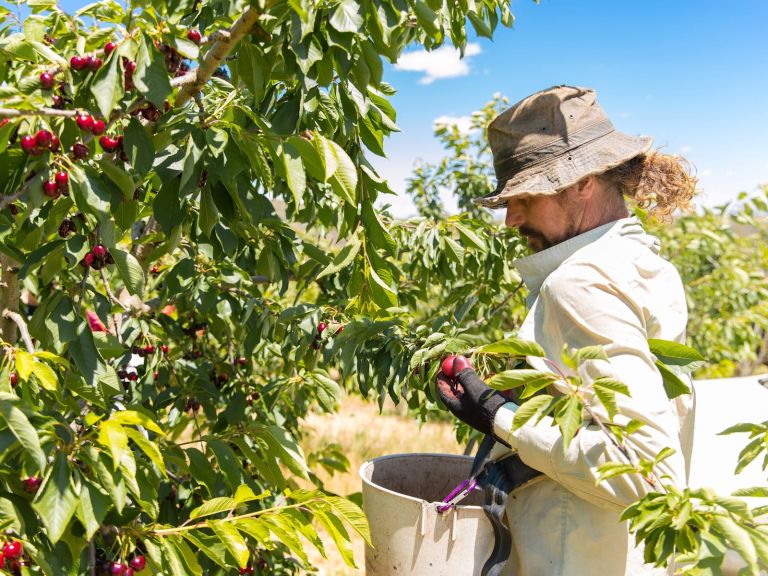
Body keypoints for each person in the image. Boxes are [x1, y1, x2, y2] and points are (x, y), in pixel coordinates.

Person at [436, 85, 697, 576]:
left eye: (527, 197)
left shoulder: (578, 282)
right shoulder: (647, 266)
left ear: (583, 182)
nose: (511, 217)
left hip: (570, 554)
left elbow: (646, 468)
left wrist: (498, 415)